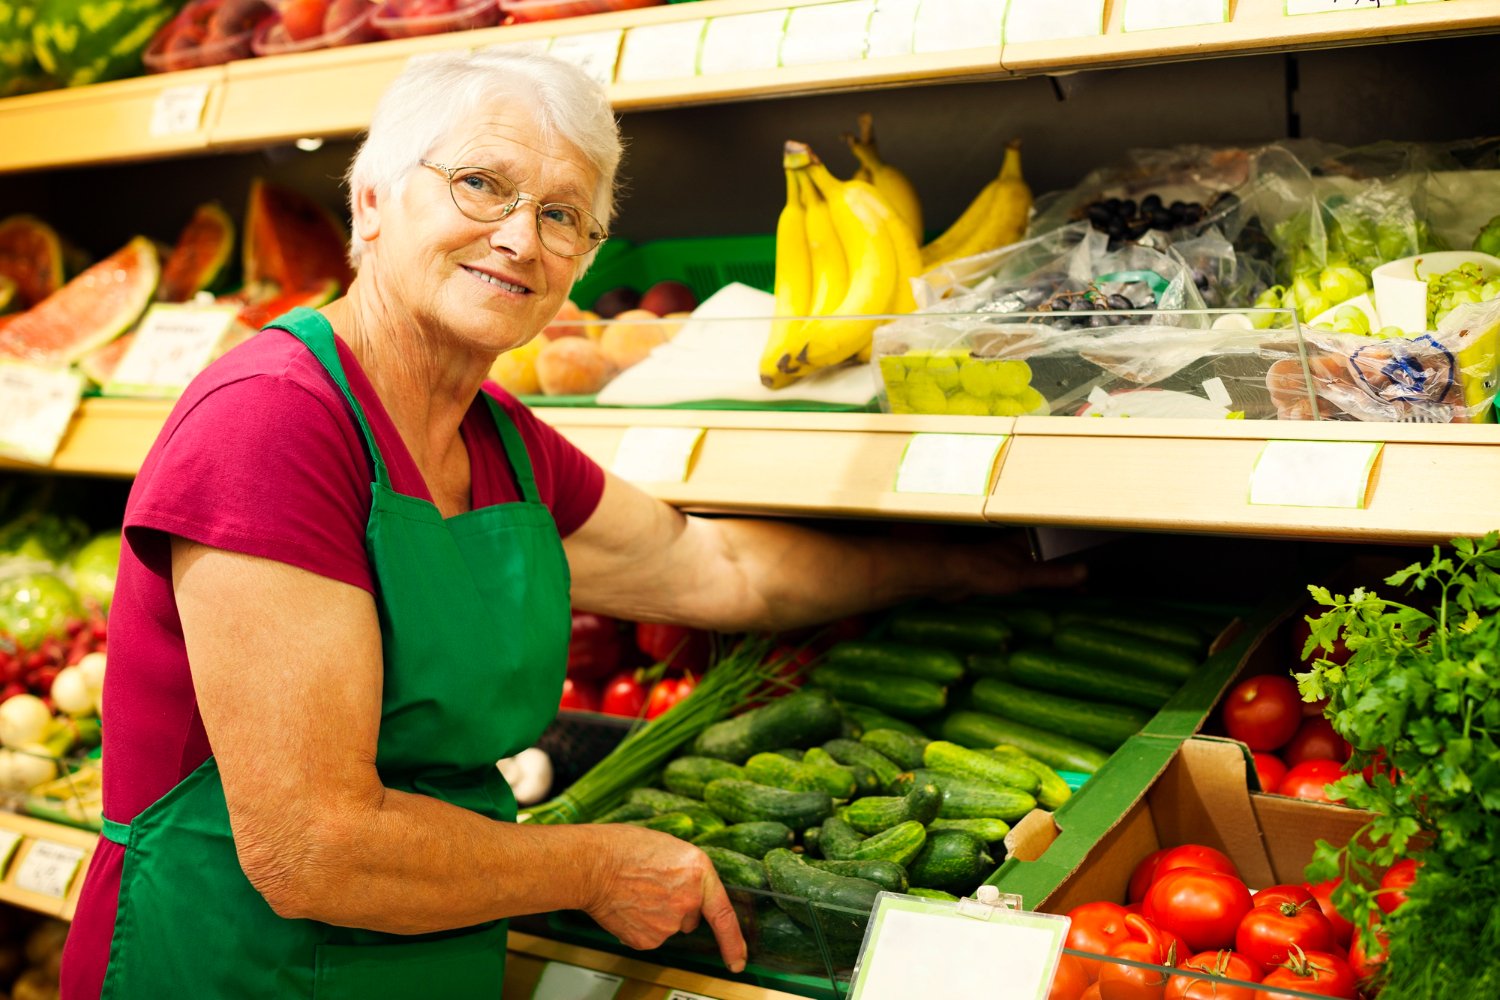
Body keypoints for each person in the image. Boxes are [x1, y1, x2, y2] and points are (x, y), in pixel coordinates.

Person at [59, 50, 1081, 998]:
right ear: (370, 202)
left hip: (422, 955)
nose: (519, 237)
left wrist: (959, 567)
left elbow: (713, 565)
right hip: (230, 964)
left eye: (563, 216)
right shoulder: (274, 421)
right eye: (481, 187)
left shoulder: (497, 438)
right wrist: (592, 862)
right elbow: (311, 845)